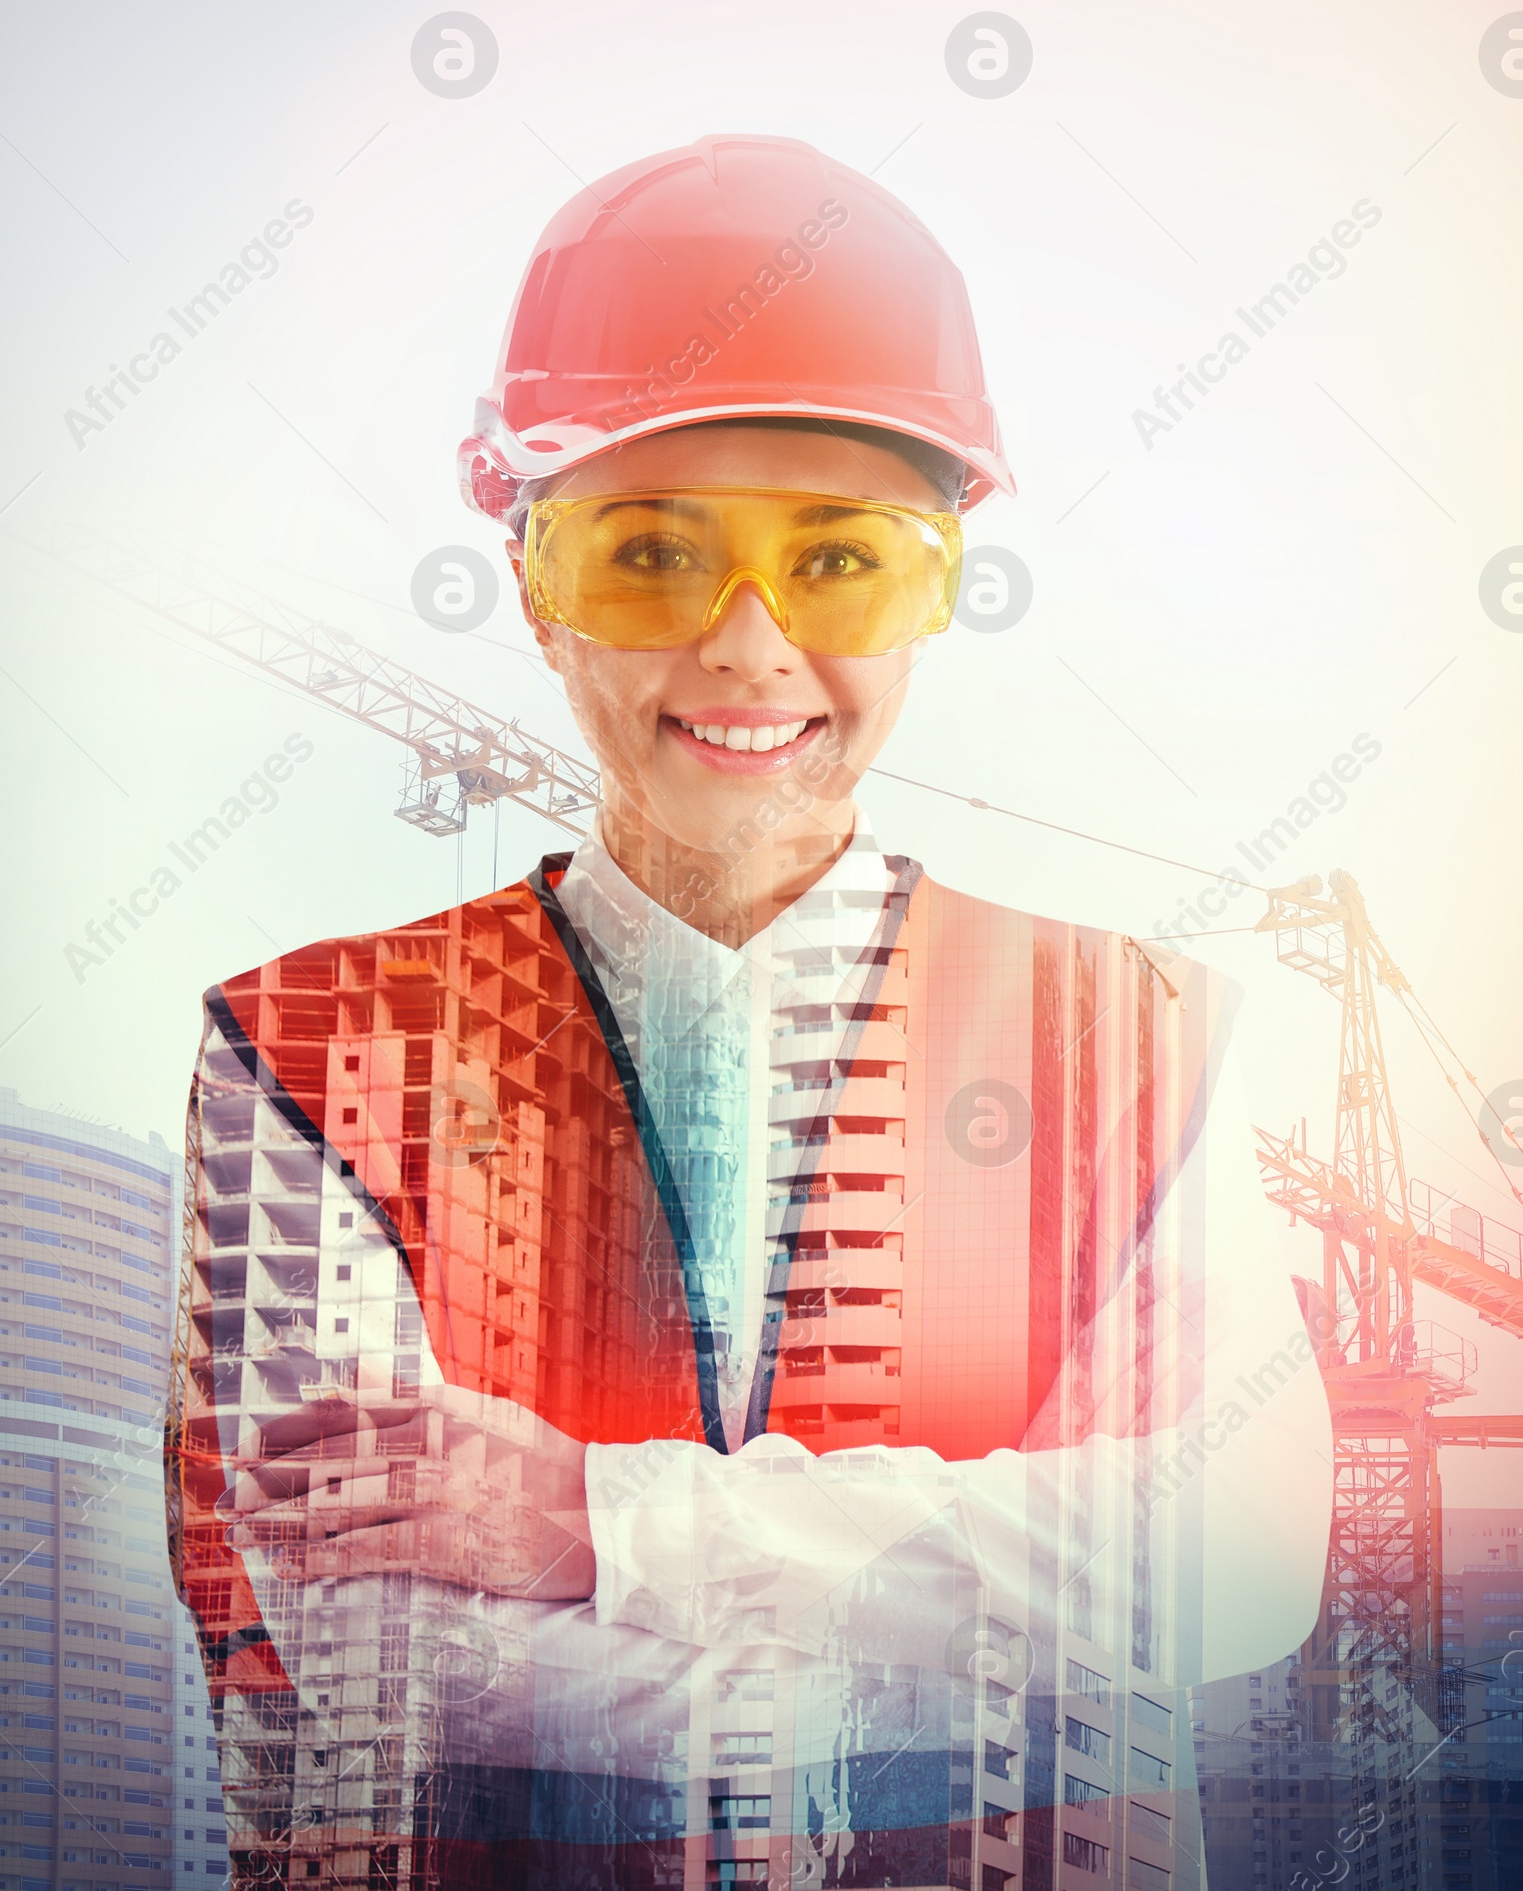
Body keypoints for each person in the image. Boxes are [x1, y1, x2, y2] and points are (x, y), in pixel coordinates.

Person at [169, 136, 1332, 1890]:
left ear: (939, 586)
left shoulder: (1144, 1038)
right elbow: (379, 1677)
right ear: (535, 594)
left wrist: (593, 1527)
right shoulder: (309, 1052)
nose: (747, 645)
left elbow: (1238, 1562)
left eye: (839, 560)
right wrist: (996, 1624)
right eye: (650, 553)